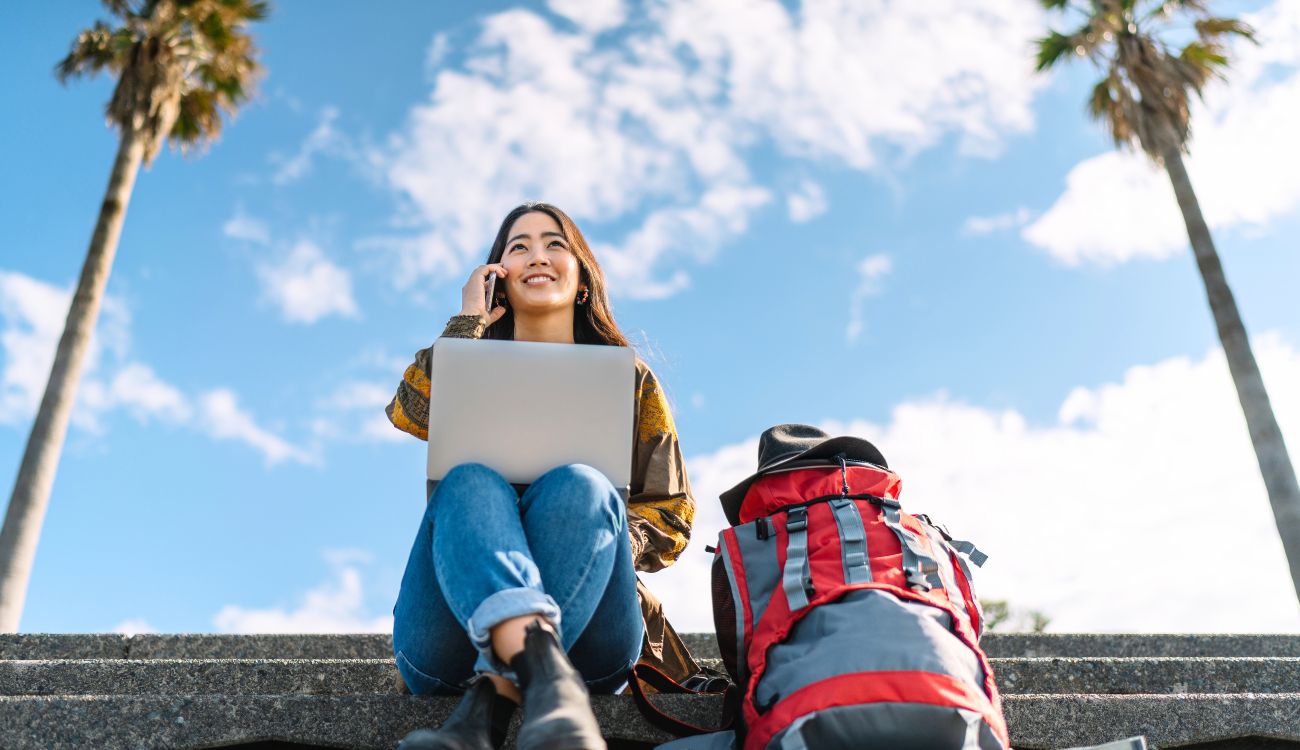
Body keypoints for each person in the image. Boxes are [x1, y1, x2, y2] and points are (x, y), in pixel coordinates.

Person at [385, 202, 696, 750]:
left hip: (594, 644)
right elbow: (408, 412)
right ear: (497, 277)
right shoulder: (465, 356)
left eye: (555, 244)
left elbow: (671, 515)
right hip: (446, 642)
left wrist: (603, 534)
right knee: (470, 482)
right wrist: (466, 326)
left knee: (583, 486)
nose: (538, 255)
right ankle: (537, 679)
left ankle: (490, 704)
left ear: (581, 277)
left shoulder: (630, 379)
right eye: (518, 246)